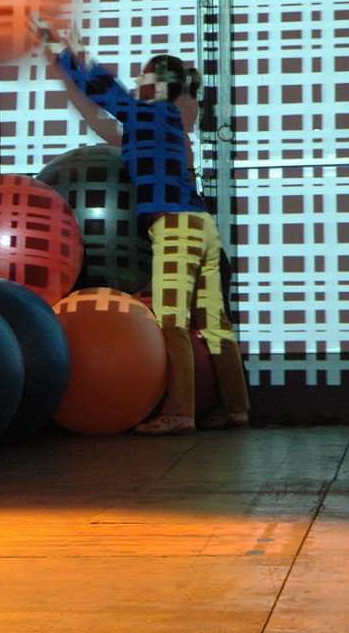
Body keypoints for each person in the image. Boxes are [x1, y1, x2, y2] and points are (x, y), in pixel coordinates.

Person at [37, 22, 250, 433]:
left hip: (175, 227)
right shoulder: (168, 121)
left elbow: (101, 90)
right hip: (201, 225)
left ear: (159, 84)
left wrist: (64, 51)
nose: (137, 81)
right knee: (215, 325)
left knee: (172, 322)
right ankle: (237, 408)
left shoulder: (147, 112)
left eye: (144, 76)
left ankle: (180, 412)